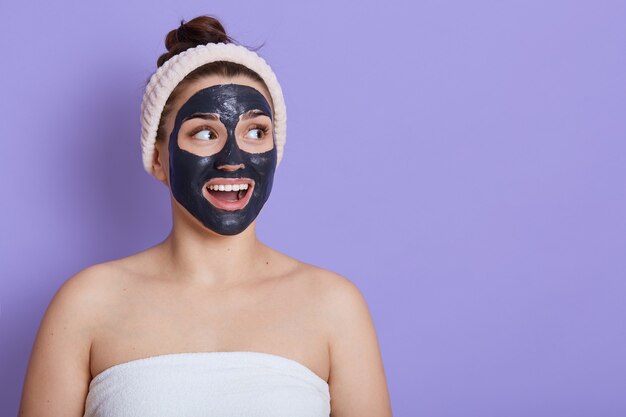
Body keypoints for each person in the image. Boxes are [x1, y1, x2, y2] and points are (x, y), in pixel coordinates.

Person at [18, 15, 392, 417]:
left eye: (256, 132)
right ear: (159, 159)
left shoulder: (334, 305)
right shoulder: (86, 304)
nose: (232, 161)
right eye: (204, 133)